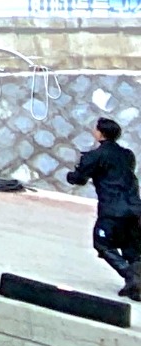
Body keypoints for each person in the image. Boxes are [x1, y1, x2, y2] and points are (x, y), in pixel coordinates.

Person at [63, 116, 140, 297]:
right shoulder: (128, 155)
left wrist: (71, 175)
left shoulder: (95, 156)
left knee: (102, 243)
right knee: (132, 249)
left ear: (100, 134)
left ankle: (132, 275)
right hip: (135, 208)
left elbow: (79, 179)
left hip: (112, 209)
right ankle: (135, 287)